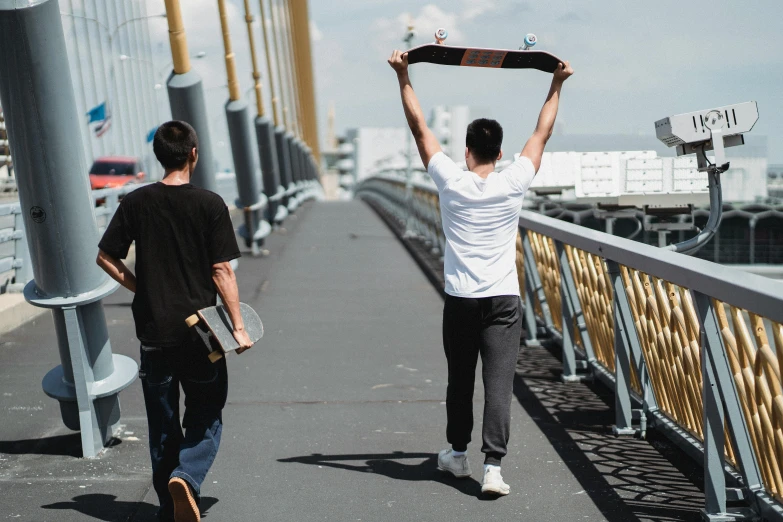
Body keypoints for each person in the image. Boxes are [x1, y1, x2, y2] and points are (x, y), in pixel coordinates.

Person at [388, 50, 573, 496]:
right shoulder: (514, 181)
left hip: (460, 299)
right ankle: (494, 467)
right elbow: (542, 132)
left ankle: (456, 454)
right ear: (501, 152)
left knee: (459, 380)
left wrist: (403, 75)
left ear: (467, 151)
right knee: (498, 384)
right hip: (503, 301)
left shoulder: (451, 180)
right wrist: (557, 83)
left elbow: (419, 129)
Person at [96, 121, 253, 522]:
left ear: (159, 156)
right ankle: (187, 475)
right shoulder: (210, 204)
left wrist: (141, 288)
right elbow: (222, 270)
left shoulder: (135, 202)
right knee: (206, 412)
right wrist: (237, 326)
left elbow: (106, 258)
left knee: (163, 422)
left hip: (154, 333)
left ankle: (170, 505)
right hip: (201, 333)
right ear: (193, 154)